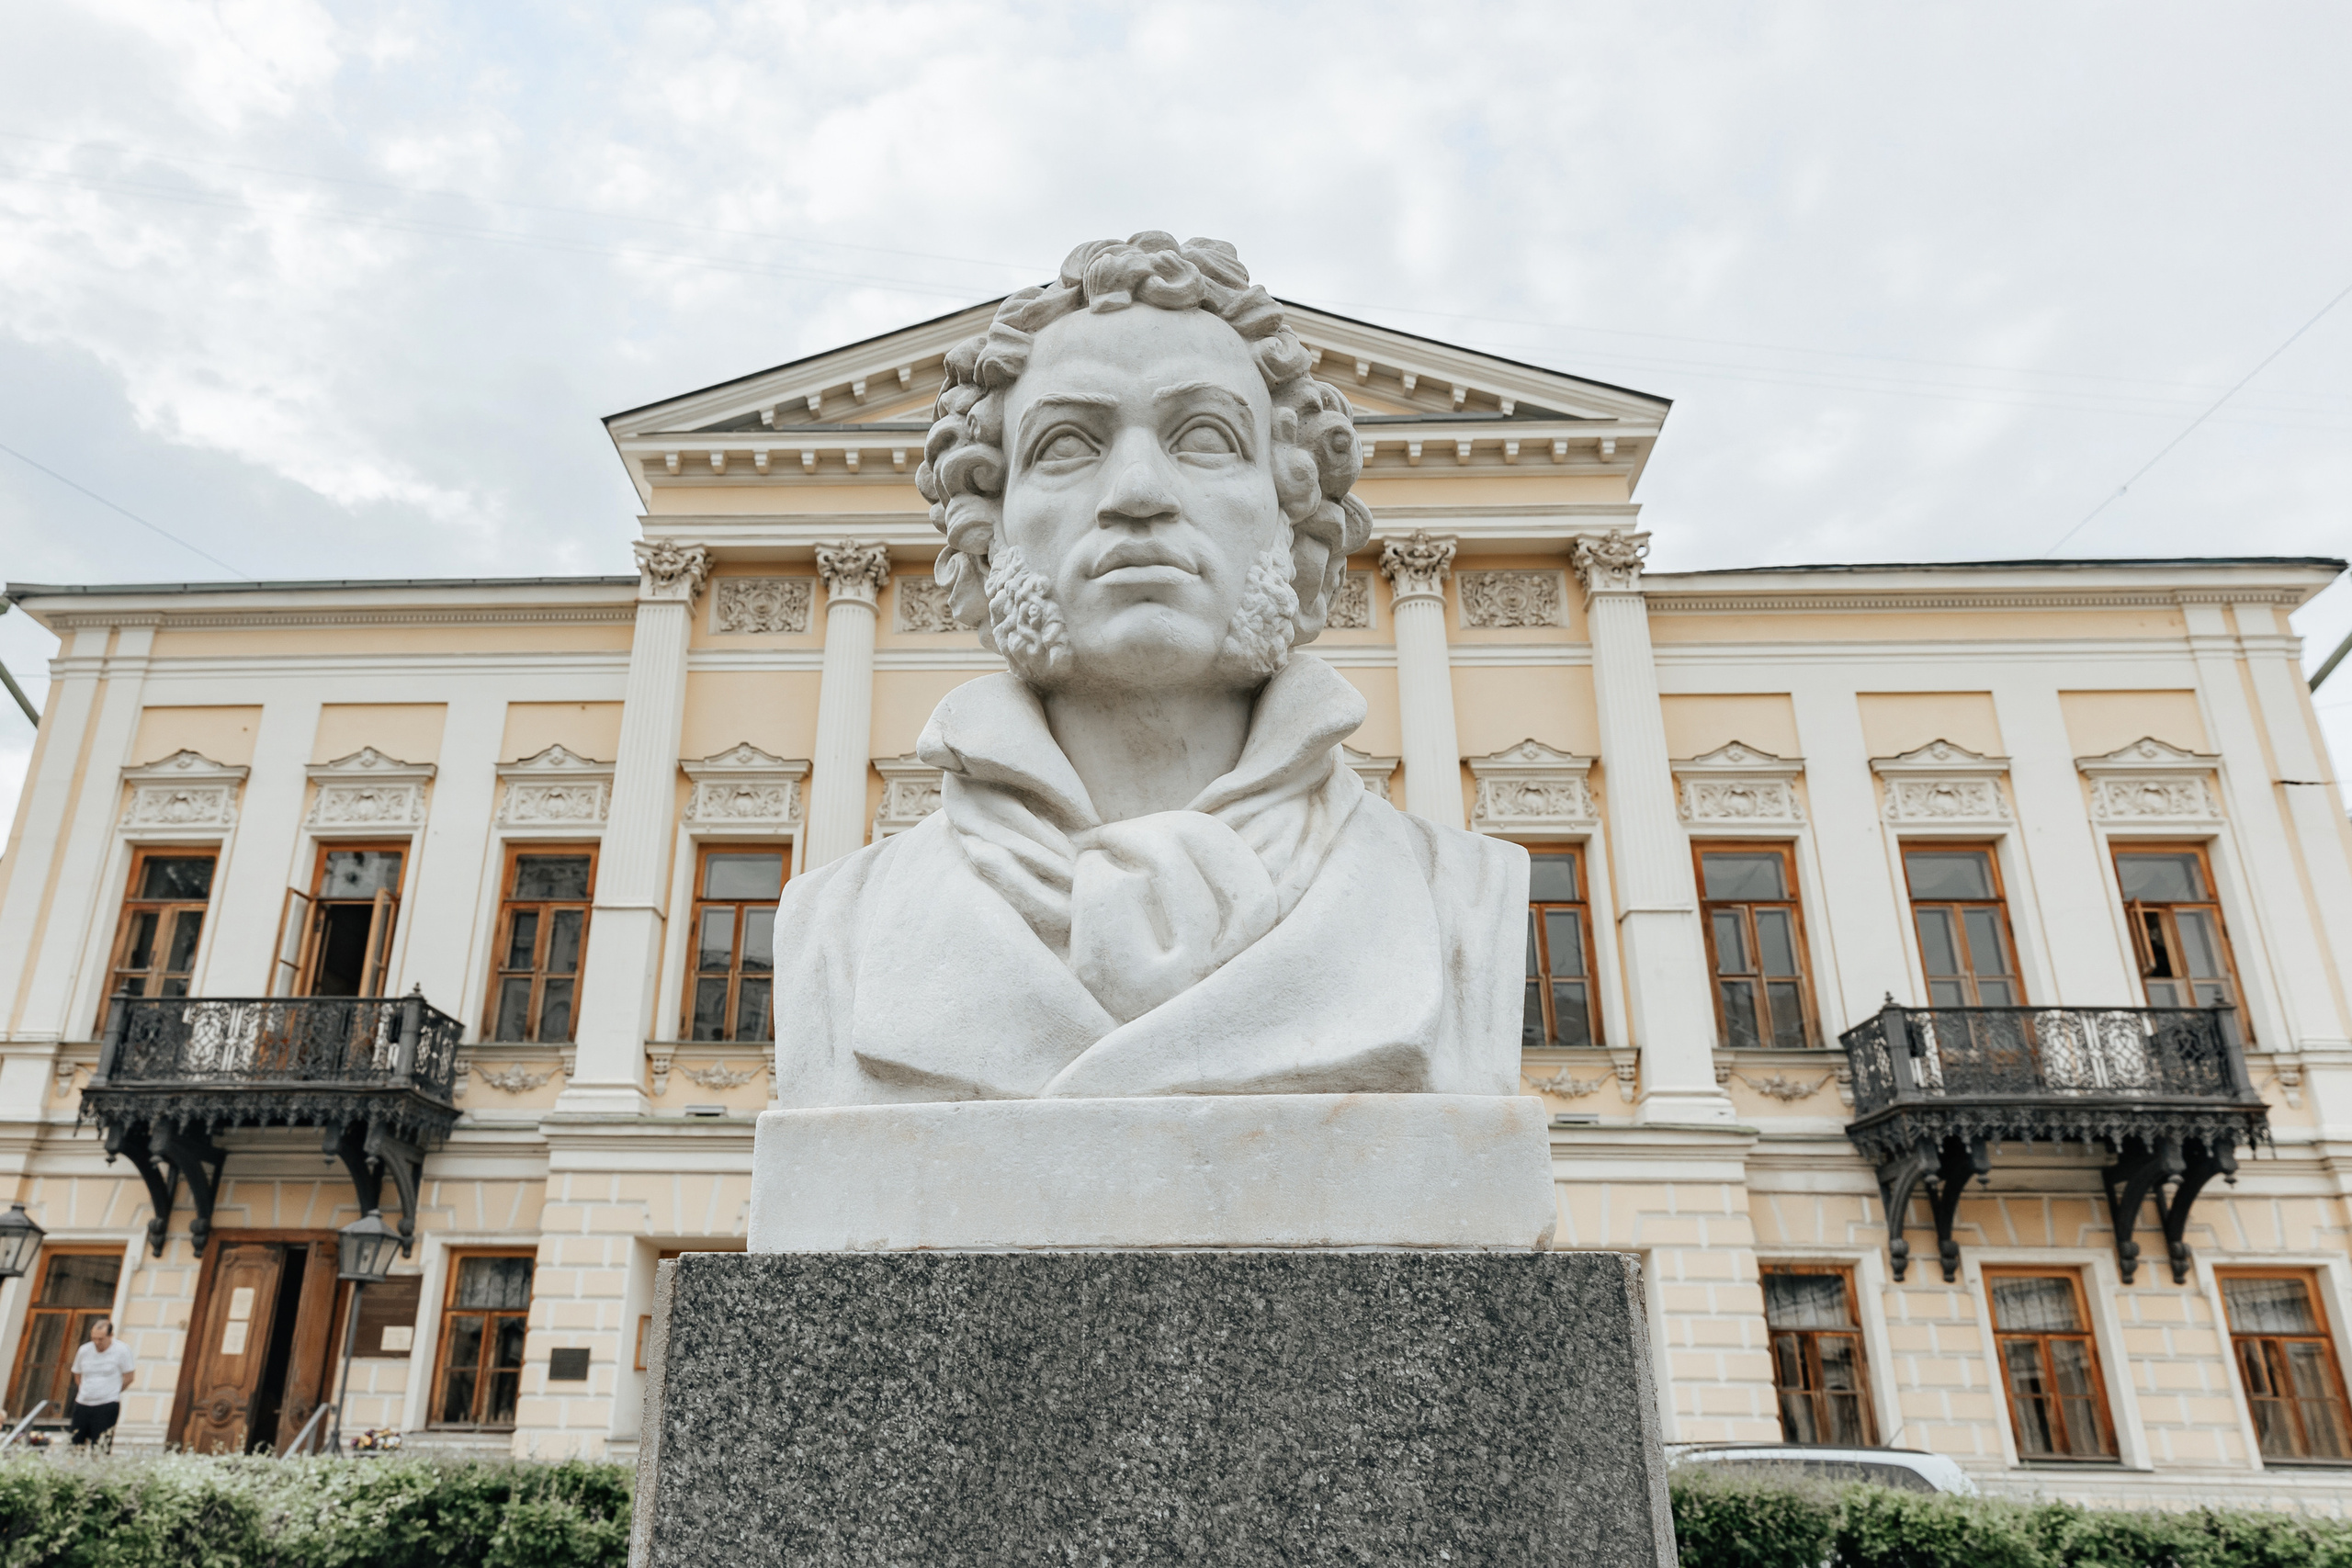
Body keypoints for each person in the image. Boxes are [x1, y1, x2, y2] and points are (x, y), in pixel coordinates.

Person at [772, 232, 1526, 1107]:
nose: (1136, 491)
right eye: (1065, 444)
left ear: (1302, 543)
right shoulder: (842, 929)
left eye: (1204, 437)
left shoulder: (1458, 905)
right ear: (985, 552)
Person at [67, 1317, 134, 1449]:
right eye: (94, 1338)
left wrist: (112, 1390)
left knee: (100, 1445)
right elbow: (77, 1373)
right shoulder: (84, 1350)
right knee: (74, 1444)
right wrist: (84, 1390)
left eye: (101, 1339)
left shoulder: (122, 1350)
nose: (97, 1343)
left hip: (107, 1404)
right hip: (83, 1403)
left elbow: (129, 1377)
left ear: (110, 1336)